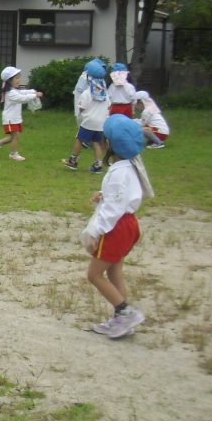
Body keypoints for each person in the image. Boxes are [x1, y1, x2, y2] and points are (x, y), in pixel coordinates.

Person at [81, 115, 154, 339]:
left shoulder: (118, 172)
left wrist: (94, 232)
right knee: (114, 272)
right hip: (129, 224)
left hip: (116, 227)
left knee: (94, 275)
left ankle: (125, 312)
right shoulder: (130, 165)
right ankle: (122, 321)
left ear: (109, 144)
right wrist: (103, 195)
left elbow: (112, 209)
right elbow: (123, 196)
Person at [63, 59, 110, 173]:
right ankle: (98, 165)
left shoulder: (87, 93)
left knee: (79, 140)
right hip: (100, 124)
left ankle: (73, 161)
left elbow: (82, 107)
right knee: (97, 143)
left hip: (88, 122)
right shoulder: (105, 95)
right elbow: (109, 106)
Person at [0, 66, 42, 161]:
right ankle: (14, 154)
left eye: (19, 77)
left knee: (12, 137)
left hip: (15, 119)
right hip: (10, 119)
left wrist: (32, 91)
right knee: (16, 136)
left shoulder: (14, 90)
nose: (19, 80)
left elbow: (23, 93)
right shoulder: (11, 93)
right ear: (9, 81)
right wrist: (34, 95)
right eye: (16, 78)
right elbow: (22, 98)